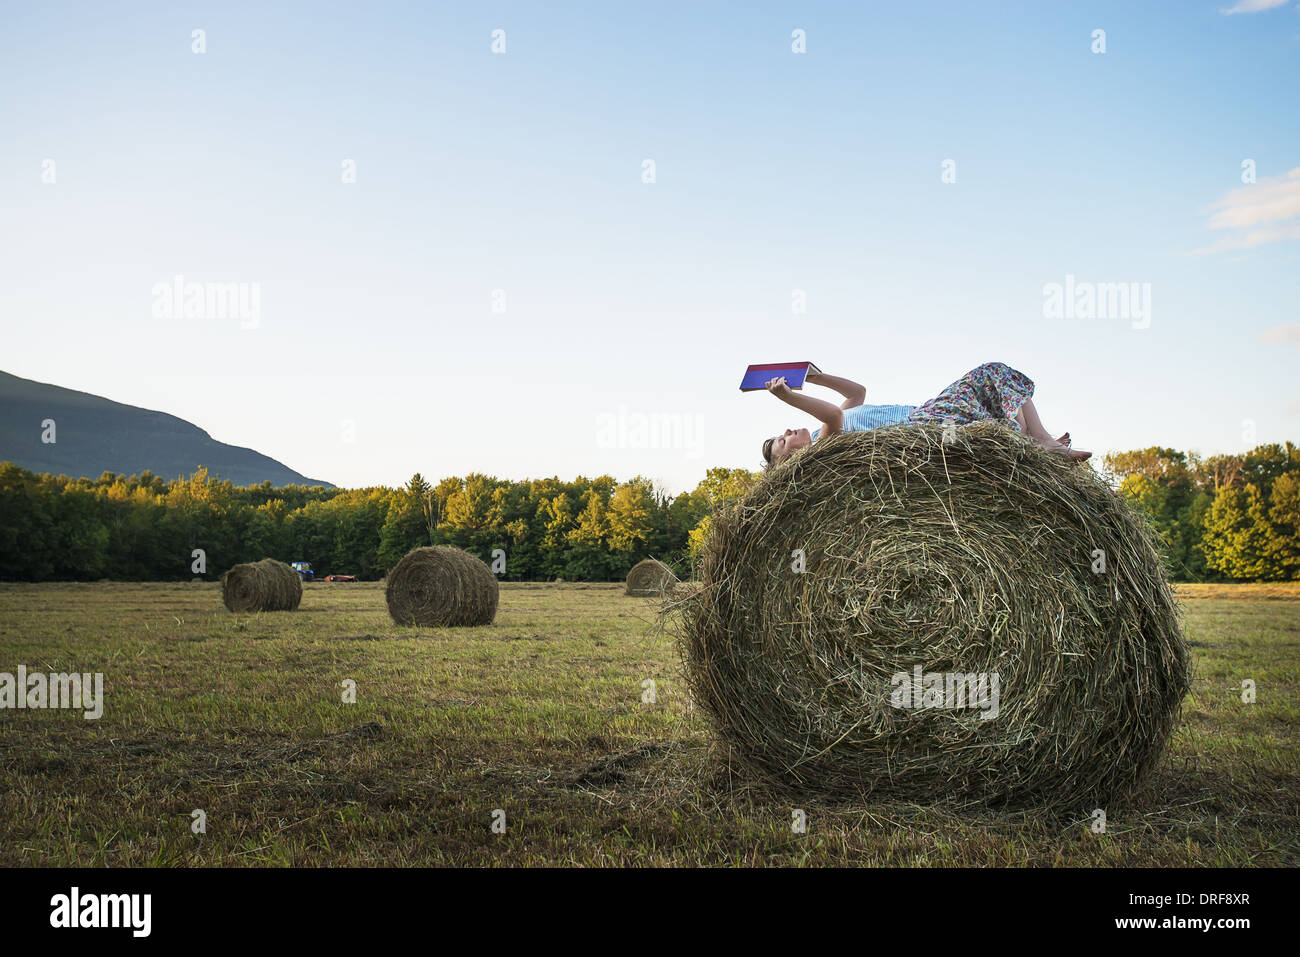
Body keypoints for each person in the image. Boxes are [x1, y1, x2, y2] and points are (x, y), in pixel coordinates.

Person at [760, 361, 1091, 467]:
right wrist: (788, 397)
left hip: (922, 413)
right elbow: (834, 414)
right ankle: (1041, 448)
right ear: (789, 460)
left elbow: (856, 394)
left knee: (994, 378)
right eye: (782, 440)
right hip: (919, 428)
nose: (788, 431)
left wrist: (814, 376)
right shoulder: (823, 448)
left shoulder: (820, 430)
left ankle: (1042, 442)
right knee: (990, 388)